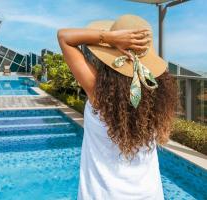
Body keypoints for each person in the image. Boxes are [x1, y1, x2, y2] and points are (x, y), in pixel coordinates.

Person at [57, 15, 177, 200]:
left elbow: (64, 37)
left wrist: (109, 39)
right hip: (149, 194)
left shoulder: (99, 95)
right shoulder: (157, 96)